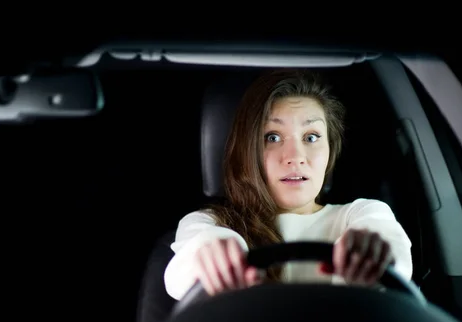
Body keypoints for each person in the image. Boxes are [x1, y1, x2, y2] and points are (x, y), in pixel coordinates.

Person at [163, 68, 413, 301]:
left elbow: (392, 252)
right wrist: (219, 253)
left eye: (311, 137)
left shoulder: (362, 214)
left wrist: (370, 251)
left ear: (330, 151)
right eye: (272, 137)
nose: (295, 156)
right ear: (248, 150)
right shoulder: (207, 222)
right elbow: (183, 274)